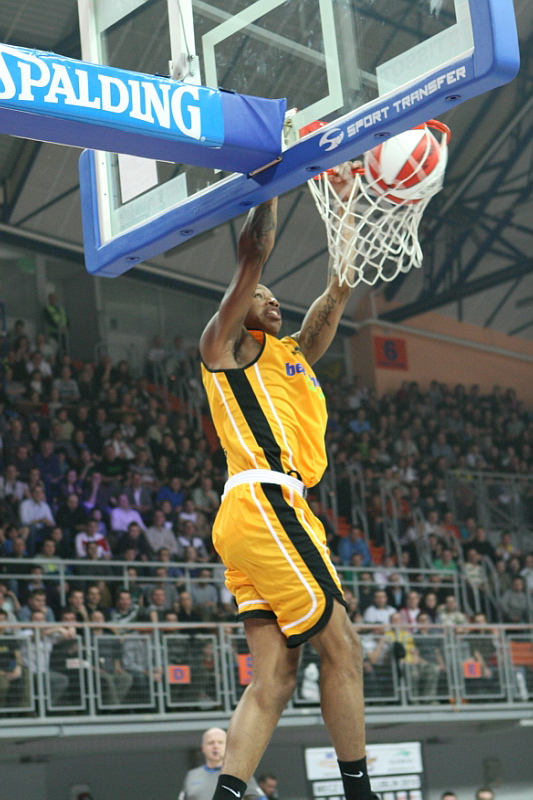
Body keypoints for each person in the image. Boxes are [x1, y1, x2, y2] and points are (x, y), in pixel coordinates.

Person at [199, 191, 375, 800]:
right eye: (261, 296)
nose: (272, 300)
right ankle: (359, 794)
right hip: (264, 500)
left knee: (274, 676)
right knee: (343, 646)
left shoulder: (293, 354)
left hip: (256, 515)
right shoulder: (224, 347)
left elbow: (339, 289)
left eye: (276, 296)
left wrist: (348, 213)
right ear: (236, 305)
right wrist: (273, 181)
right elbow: (252, 255)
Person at [178, 728, 265, 800]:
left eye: (220, 742)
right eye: (211, 743)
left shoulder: (239, 773)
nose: (215, 746)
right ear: (203, 748)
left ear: (227, 747)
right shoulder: (192, 775)